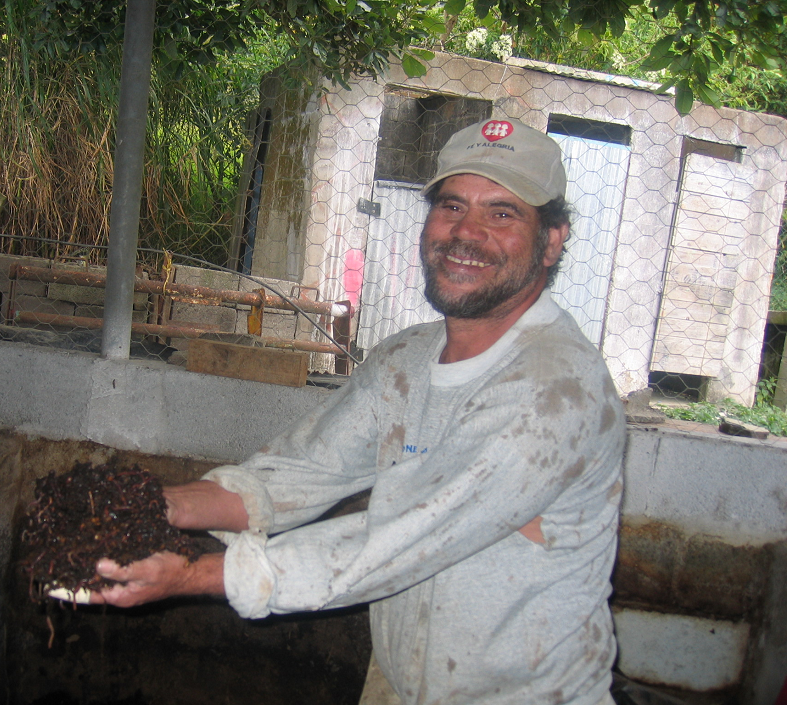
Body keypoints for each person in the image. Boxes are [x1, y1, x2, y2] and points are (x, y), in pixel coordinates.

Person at [89, 118, 627, 705]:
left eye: (502, 213)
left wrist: (192, 576)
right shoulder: (406, 359)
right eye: (451, 206)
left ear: (552, 240)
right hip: (398, 686)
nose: (466, 233)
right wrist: (146, 508)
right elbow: (300, 473)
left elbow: (397, 539)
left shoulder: (557, 390)